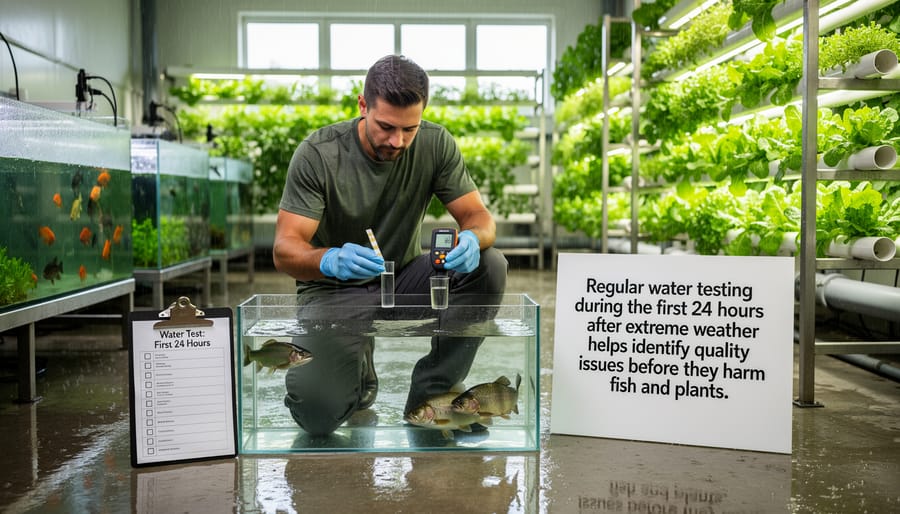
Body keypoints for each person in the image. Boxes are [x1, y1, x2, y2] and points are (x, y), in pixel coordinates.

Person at [272, 54, 508, 437]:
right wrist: (329, 259)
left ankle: (433, 392)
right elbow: (285, 248)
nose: (397, 141)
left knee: (489, 264)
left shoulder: (435, 143)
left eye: (409, 129)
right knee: (317, 417)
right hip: (332, 291)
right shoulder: (318, 154)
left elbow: (479, 218)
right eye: (385, 126)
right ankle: (357, 373)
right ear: (363, 105)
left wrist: (472, 238)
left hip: (400, 281)